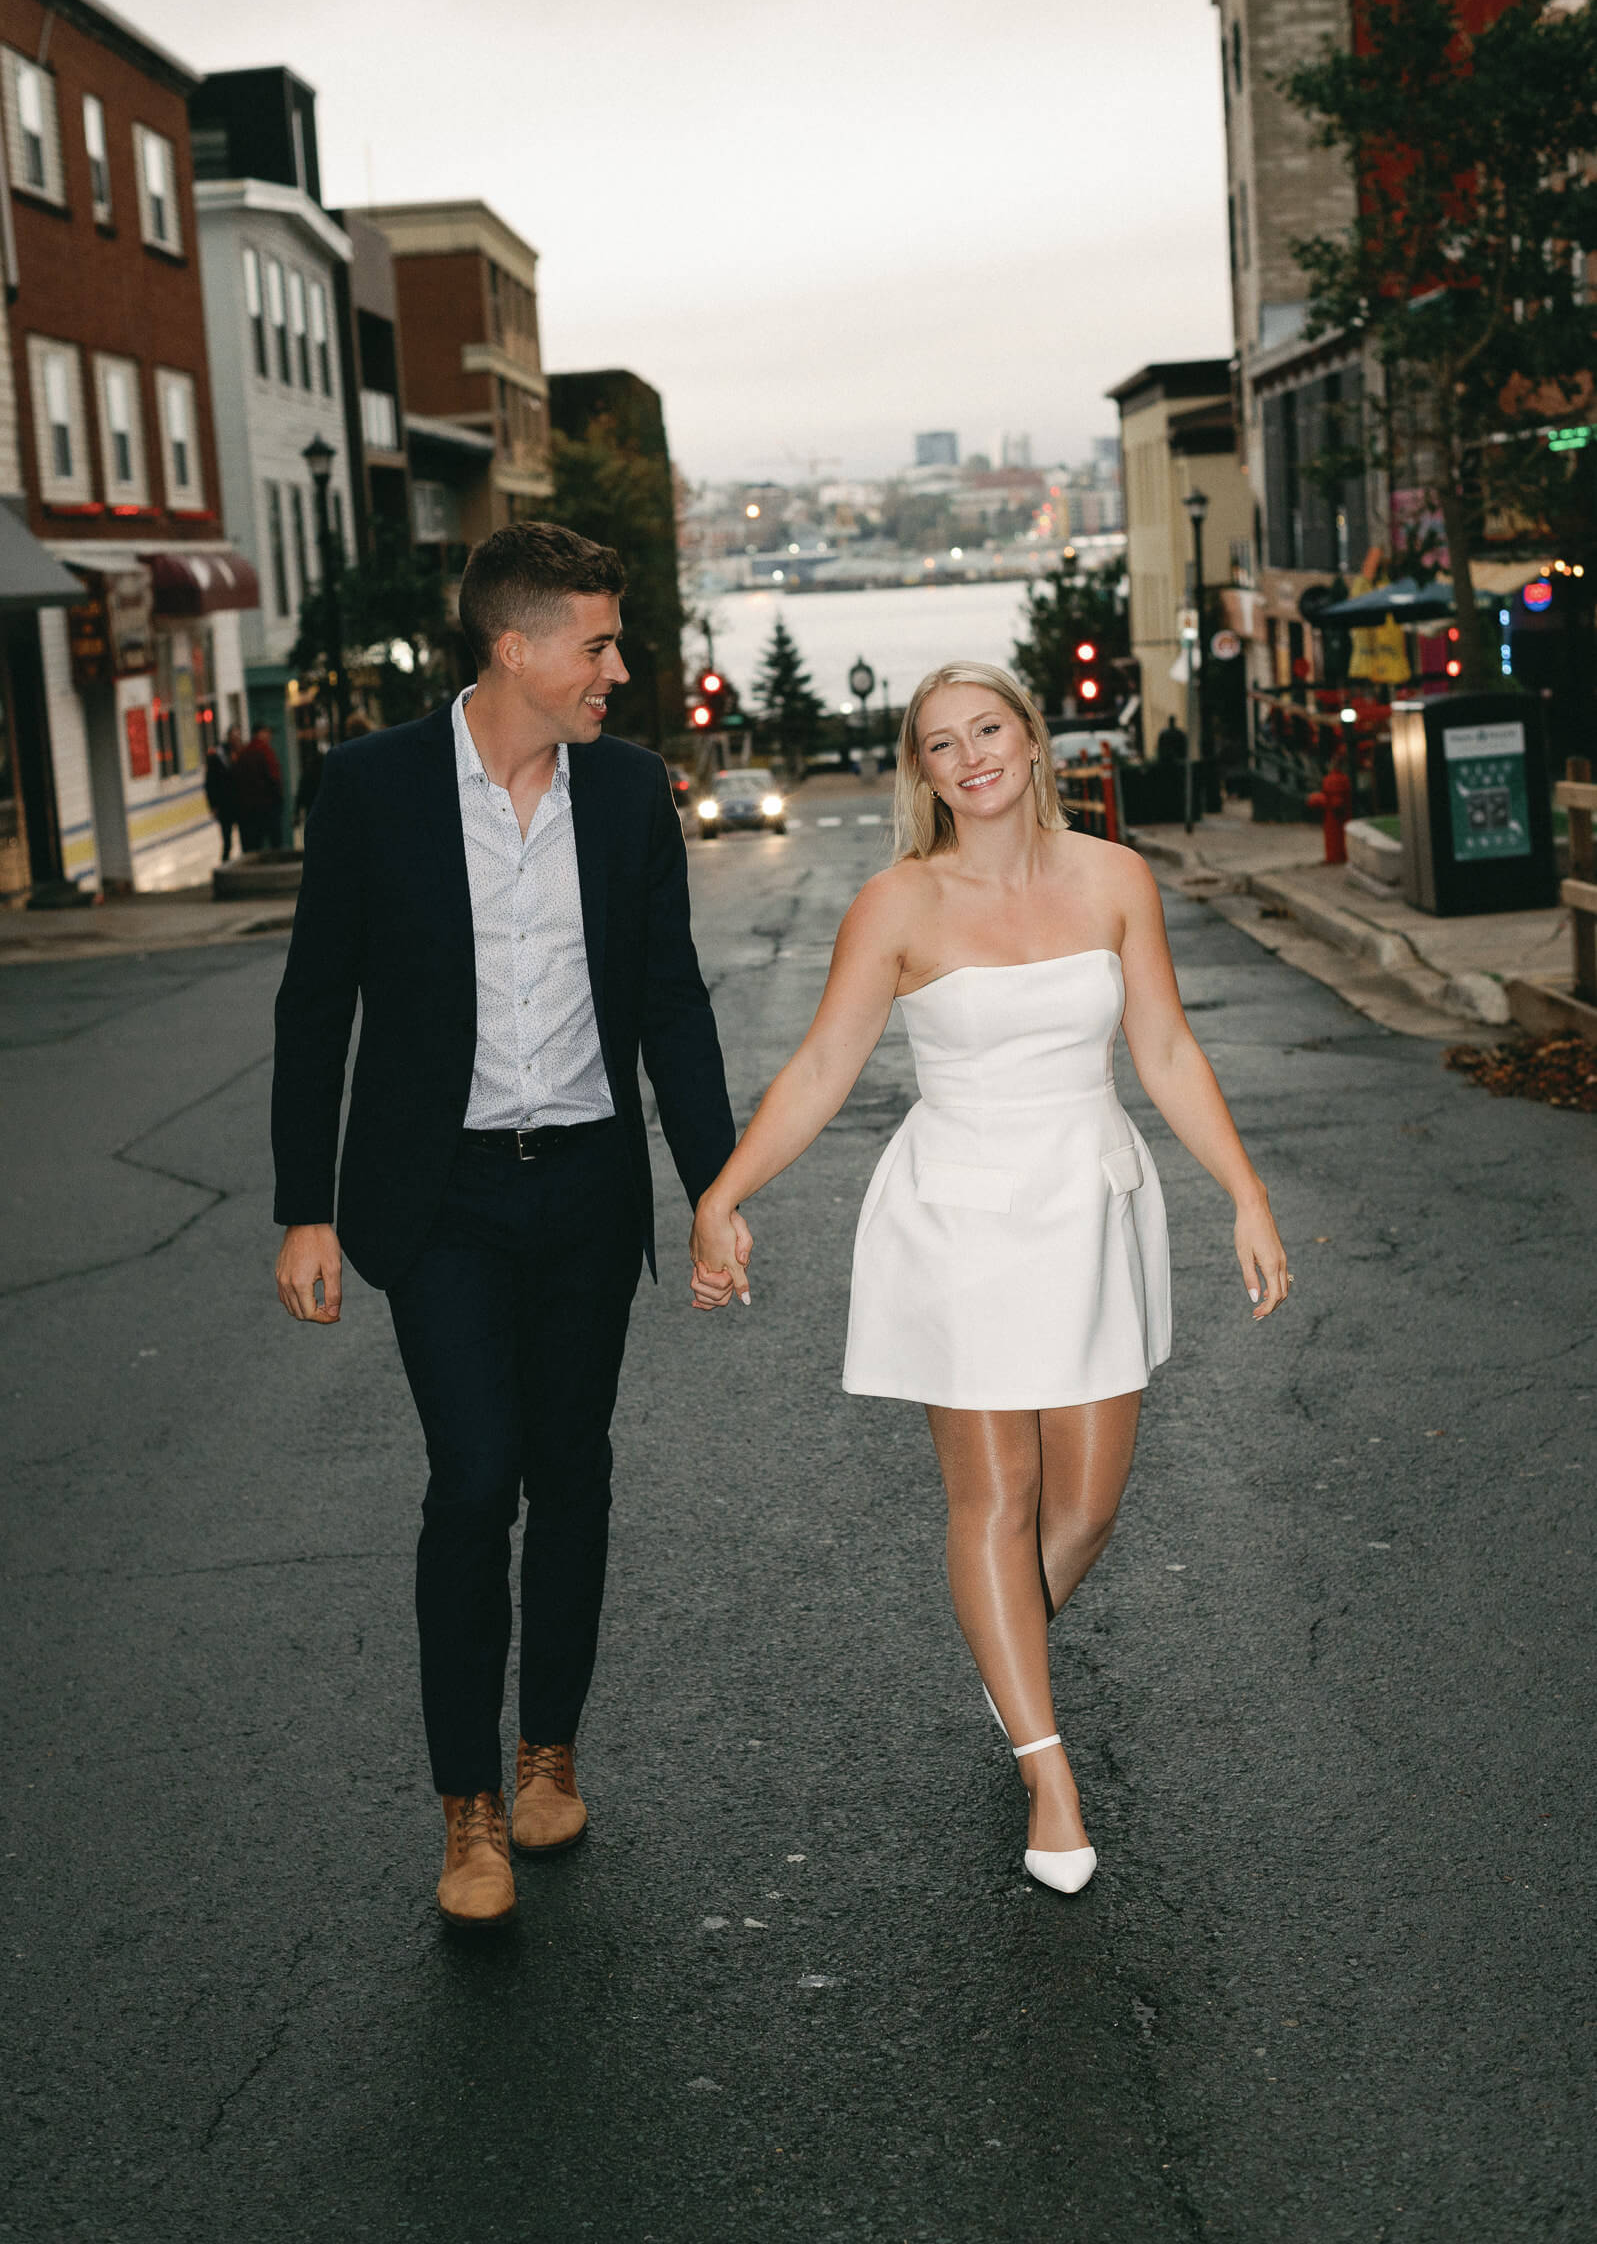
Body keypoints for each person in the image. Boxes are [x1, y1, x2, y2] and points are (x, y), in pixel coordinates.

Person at [689, 660, 1288, 1898]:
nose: (970, 757)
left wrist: (1245, 1192)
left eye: (988, 730)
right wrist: (722, 1193)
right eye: (940, 742)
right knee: (995, 1497)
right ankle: (1046, 1769)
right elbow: (818, 1070)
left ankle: (1000, 1639)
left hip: (1087, 1207)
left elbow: (1165, 1047)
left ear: (1030, 738)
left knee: (1086, 1509)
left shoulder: (1116, 879)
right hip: (954, 1214)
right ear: (921, 770)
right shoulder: (898, 904)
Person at [271, 522, 739, 1930]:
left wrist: (713, 1192)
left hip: (588, 1183)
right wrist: (305, 1207)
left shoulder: (630, 792)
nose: (619, 666)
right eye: (597, 643)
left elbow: (672, 1003)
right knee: (476, 1477)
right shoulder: (372, 790)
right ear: (516, 647)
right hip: (445, 1197)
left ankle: (551, 1753)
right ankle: (466, 1805)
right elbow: (316, 1009)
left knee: (572, 1468)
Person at [233, 721, 284, 853]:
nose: (270, 736)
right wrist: (278, 799)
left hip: (248, 809)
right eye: (268, 732)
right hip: (267, 805)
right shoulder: (265, 751)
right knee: (275, 844)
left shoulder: (244, 752)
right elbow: (274, 778)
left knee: (254, 847)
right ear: (260, 733)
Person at [205, 725, 240, 860]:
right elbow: (210, 783)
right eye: (234, 737)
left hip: (239, 802)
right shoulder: (218, 756)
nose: (236, 740)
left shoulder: (241, 753)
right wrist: (213, 805)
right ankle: (226, 863)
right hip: (225, 804)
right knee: (227, 840)